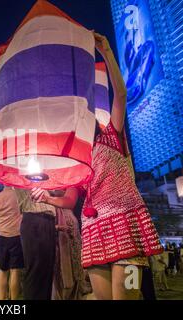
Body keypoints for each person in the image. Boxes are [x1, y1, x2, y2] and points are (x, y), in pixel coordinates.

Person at [50, 32, 162, 300]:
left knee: (128, 296)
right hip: (94, 231)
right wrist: (48, 197)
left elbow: (121, 94)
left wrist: (106, 51)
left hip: (127, 226)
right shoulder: (78, 159)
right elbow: (70, 200)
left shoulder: (113, 133)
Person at [30, 188, 88, 300]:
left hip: (66, 224)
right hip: (44, 222)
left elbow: (70, 201)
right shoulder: (40, 178)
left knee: (68, 265)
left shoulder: (70, 178)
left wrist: (47, 198)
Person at [14, 188, 57, 300]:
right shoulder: (22, 175)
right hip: (34, 217)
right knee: (35, 270)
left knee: (46, 271)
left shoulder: (46, 178)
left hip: (48, 219)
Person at [0, 186, 23, 300]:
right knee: (15, 270)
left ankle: (1, 299)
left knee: (3, 270)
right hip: (17, 236)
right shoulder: (20, 196)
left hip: (2, 237)